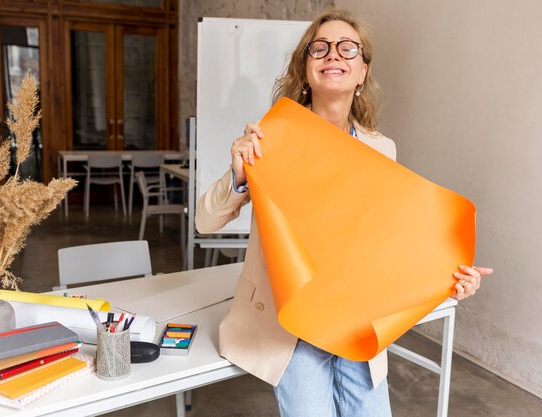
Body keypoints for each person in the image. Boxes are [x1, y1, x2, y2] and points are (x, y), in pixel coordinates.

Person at [195, 9, 493, 417]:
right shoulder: (272, 137)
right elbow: (204, 222)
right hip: (291, 328)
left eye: (347, 48)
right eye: (320, 48)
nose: (333, 54)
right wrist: (239, 174)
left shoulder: (381, 148)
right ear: (305, 68)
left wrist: (449, 275)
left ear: (362, 71)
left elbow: (391, 243)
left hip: (356, 323)